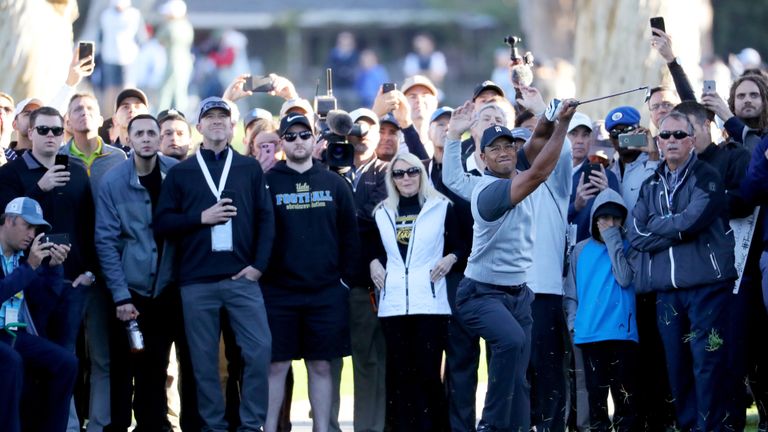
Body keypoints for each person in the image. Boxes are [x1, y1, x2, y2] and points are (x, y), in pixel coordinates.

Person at [452, 99, 577, 432]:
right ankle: (490, 425)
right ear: (483, 158)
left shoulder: (511, 164)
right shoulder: (490, 192)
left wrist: (551, 116)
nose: (505, 152)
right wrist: (564, 124)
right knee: (511, 342)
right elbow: (538, 173)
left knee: (520, 379)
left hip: (519, 294)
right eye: (495, 148)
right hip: (480, 294)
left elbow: (536, 144)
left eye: (509, 145)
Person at [154, 97, 275, 431]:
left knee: (259, 351)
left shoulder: (249, 168)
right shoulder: (182, 172)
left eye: (224, 116)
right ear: (199, 127)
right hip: (197, 282)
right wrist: (200, 218)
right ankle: (213, 426)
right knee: (204, 363)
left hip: (243, 279)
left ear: (233, 127)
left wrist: (259, 266)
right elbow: (162, 223)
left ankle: (251, 425)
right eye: (210, 117)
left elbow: (267, 219)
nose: (217, 121)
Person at [629, 111, 739, 431]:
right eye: (666, 136)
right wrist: (673, 229)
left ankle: (711, 428)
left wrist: (659, 227)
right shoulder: (650, 185)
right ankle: (690, 426)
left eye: (679, 135)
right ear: (658, 142)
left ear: (692, 140)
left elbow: (694, 221)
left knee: (707, 362)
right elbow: (635, 234)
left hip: (708, 287)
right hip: (667, 293)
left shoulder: (707, 176)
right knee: (677, 366)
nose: (672, 140)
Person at [95, 114, 198, 431]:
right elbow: (106, 242)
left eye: (151, 132)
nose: (145, 138)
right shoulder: (113, 182)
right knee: (123, 368)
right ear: (128, 138)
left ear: (159, 137)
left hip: (168, 289)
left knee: (155, 369)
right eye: (138, 133)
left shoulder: (177, 174)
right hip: (130, 291)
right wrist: (121, 296)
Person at [262, 114, 358, 432]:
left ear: (314, 139)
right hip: (279, 292)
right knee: (276, 366)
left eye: (304, 135)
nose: (298, 141)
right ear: (281, 142)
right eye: (290, 137)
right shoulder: (268, 181)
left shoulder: (334, 183)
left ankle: (322, 429)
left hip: (326, 292)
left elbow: (350, 236)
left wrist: (343, 280)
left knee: (320, 365)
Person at [369, 151, 464, 431]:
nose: (406, 178)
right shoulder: (382, 211)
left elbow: (462, 244)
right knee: (399, 377)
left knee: (428, 375)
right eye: (398, 173)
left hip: (430, 305)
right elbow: (373, 247)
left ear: (421, 175)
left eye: (412, 172)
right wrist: (373, 261)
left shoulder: (441, 206)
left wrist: (451, 258)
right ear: (392, 178)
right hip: (394, 305)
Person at [0, 197, 77, 432]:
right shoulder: (28, 261)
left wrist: (54, 268)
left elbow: (44, 304)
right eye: (28, 226)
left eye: (36, 229)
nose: (32, 234)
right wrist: (30, 267)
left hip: (14, 332)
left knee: (66, 362)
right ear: (9, 221)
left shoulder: (24, 257)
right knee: (11, 362)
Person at [564, 189, 638, 432]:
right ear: (594, 219)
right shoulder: (579, 250)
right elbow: (571, 292)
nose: (611, 223)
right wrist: (573, 323)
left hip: (622, 334)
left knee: (624, 397)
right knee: (595, 400)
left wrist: (614, 240)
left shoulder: (630, 248)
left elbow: (625, 278)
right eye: (605, 218)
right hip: (589, 334)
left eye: (616, 218)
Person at [568, 112, 621, 242]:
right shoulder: (550, 175)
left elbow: (617, 221)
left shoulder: (606, 176)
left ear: (591, 139)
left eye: (585, 135)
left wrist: (606, 195)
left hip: (589, 252)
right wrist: (575, 206)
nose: (579, 140)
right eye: (573, 134)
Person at [99, 0, 146, 115]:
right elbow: (142, 38)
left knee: (110, 90)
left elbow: (100, 36)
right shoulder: (135, 14)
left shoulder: (105, 15)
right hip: (128, 57)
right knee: (127, 90)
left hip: (109, 56)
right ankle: (129, 117)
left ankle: (110, 119)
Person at [156, 0, 194, 113]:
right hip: (185, 62)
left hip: (174, 62)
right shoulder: (187, 25)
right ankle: (181, 116)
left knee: (166, 91)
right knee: (181, 91)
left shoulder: (170, 26)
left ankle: (161, 115)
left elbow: (160, 39)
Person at [111, 88, 150, 153]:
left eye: (137, 106)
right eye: (125, 107)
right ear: (115, 119)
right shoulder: (106, 156)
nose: (131, 110)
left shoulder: (160, 155)